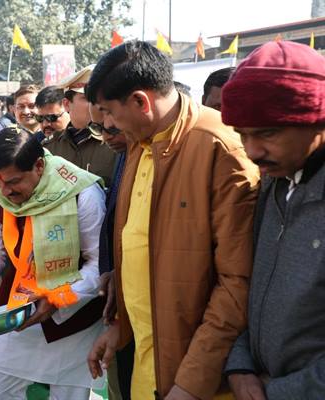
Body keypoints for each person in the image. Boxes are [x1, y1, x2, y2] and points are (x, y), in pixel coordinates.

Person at [85, 41, 260, 400]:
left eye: (108, 111)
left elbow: (236, 284)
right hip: (148, 362)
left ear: (140, 102)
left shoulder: (220, 149)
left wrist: (190, 384)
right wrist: (122, 327)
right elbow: (142, 244)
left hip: (196, 378)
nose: (106, 124)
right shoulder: (140, 140)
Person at [0, 128, 107, 399]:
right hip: (18, 306)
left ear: (39, 166)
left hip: (75, 313)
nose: (5, 190)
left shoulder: (82, 193)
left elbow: (99, 265)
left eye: (13, 181)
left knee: (69, 394)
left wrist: (56, 297)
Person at [220, 41, 325, 400]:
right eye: (242, 135)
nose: (252, 152)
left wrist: (279, 392)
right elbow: (257, 294)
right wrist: (240, 365)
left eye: (267, 133)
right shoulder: (274, 183)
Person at [89, 103, 133, 400]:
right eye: (99, 128)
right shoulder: (124, 151)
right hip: (118, 292)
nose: (105, 136)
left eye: (112, 128)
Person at [44, 65, 117, 188]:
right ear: (67, 104)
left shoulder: (117, 143)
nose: (97, 104)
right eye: (89, 98)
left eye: (101, 98)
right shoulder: (50, 148)